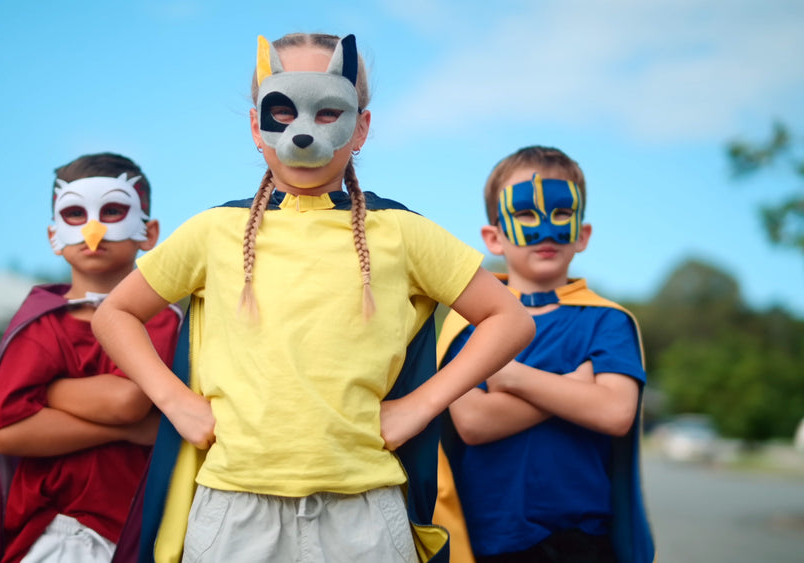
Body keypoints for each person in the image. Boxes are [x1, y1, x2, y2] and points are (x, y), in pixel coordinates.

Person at [91, 33, 534, 563]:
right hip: (234, 507)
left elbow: (509, 319)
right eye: (282, 111)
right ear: (257, 126)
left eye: (328, 112)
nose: (304, 133)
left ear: (361, 127)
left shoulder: (401, 231)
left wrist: (419, 407)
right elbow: (115, 313)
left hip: (364, 511)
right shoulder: (214, 230)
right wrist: (176, 402)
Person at [434, 146, 655, 563]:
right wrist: (576, 387)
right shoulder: (471, 322)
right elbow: (474, 422)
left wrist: (512, 377)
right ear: (493, 237)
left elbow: (614, 413)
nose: (547, 231)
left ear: (582, 234)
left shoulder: (607, 321)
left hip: (585, 538)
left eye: (560, 214)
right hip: (491, 537)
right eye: (525, 216)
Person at [0, 153, 183, 563]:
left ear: (149, 232)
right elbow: (10, 432)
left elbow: (126, 399)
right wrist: (126, 430)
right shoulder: (39, 324)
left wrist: (50, 393)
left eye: (113, 211)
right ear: (54, 234)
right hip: (55, 530)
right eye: (75, 213)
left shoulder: (164, 321)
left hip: (139, 529)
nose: (94, 229)